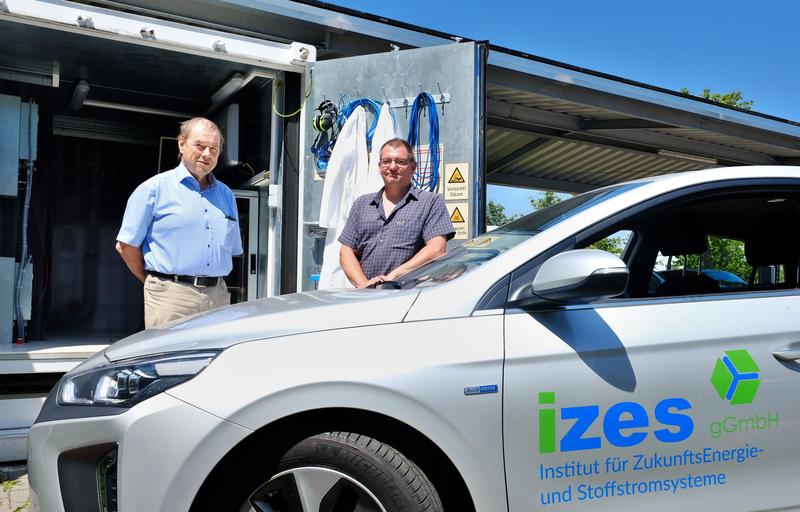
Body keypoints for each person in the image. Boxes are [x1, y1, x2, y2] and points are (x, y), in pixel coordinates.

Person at [116, 117, 243, 328]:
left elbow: (232, 249)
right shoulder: (153, 189)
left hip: (218, 295)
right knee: (169, 360)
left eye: (214, 148)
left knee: (216, 360)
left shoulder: (226, 195)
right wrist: (153, 282)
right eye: (200, 145)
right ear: (181, 144)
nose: (207, 154)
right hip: (171, 297)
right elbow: (125, 246)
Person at [338, 138, 454, 288]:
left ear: (413, 167)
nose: (392, 167)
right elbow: (345, 253)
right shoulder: (362, 204)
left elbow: (436, 249)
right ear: (380, 167)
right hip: (365, 297)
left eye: (400, 162)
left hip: (409, 296)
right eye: (386, 161)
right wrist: (365, 285)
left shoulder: (430, 202)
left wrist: (392, 278)